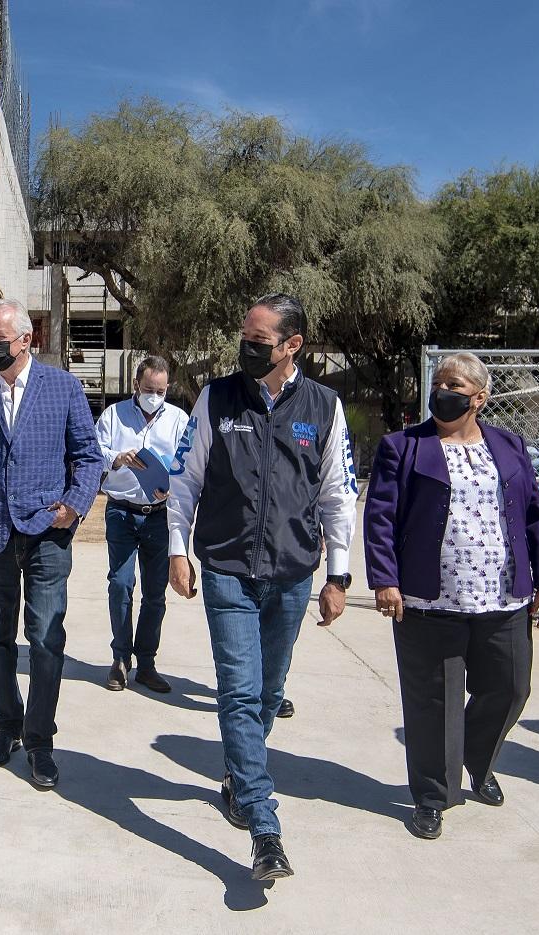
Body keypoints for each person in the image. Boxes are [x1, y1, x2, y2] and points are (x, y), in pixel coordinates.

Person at [165, 293, 357, 881]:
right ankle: (263, 823)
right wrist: (177, 547)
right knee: (240, 692)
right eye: (243, 337)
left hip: (295, 574)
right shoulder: (216, 399)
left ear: (292, 345)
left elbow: (337, 492)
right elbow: (185, 477)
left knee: (269, 693)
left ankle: (236, 773)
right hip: (226, 568)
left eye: (259, 340)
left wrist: (338, 573)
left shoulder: (324, 406)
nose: (246, 347)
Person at [364, 352, 539, 840]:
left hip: (503, 598)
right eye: (438, 383)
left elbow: (534, 515)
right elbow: (381, 518)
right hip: (430, 601)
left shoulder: (509, 445)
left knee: (511, 687)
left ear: (480, 397)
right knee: (435, 703)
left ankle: (477, 758)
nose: (442, 392)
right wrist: (385, 580)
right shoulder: (403, 446)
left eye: (454, 385)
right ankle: (433, 796)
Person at [0, 297, 103, 790]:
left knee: (45, 639)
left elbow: (88, 456)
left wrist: (72, 507)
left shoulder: (63, 387)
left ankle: (40, 740)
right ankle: (7, 726)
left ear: (26, 339)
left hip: (47, 535)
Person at [95, 355, 189, 693]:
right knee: (120, 585)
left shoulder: (179, 420)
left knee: (155, 593)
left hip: (160, 515)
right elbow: (94, 451)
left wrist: (172, 485)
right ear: (137, 385)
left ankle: (146, 663)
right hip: (121, 511)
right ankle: (120, 659)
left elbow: (188, 465)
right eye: (149, 389)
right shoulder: (113, 416)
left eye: (161, 390)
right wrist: (115, 459)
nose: (155, 395)